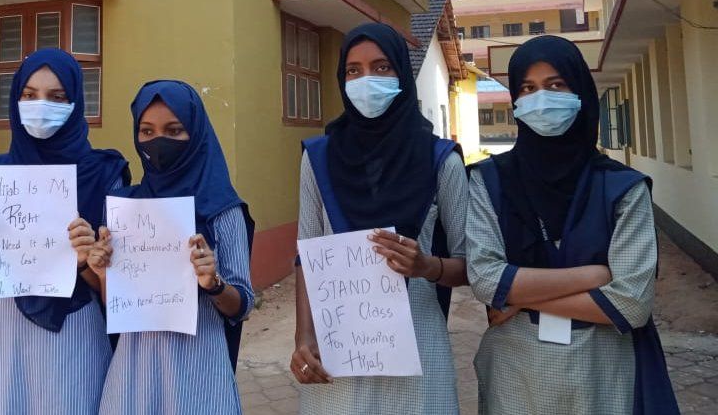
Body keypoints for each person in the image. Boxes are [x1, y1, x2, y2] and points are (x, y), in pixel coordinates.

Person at [465, 35, 679, 414]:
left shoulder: (622, 187)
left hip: (603, 371)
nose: (541, 99)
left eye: (555, 85)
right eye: (528, 89)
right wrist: (595, 275)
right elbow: (484, 280)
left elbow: (631, 305)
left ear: (580, 92)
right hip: (515, 373)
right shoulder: (488, 181)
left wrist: (517, 296)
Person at [290, 23, 469, 414]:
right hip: (337, 349)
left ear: (402, 74)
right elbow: (307, 254)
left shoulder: (442, 161)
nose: (366, 80)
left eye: (381, 67)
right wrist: (304, 336)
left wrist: (427, 266)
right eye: (353, 70)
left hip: (419, 350)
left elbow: (470, 266)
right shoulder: (317, 159)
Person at [0, 48, 129, 414]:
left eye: (56, 97)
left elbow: (118, 291)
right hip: (2, 339)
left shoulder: (104, 174)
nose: (41, 106)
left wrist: (86, 261)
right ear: (15, 100)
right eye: (29, 95)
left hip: (74, 335)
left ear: (76, 102)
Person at [87, 80, 255, 415]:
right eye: (147, 131)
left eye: (174, 130)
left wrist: (213, 283)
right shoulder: (125, 208)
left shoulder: (222, 209)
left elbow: (243, 305)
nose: (158, 141)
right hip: (133, 370)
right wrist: (103, 273)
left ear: (196, 134)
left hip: (199, 370)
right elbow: (114, 304)